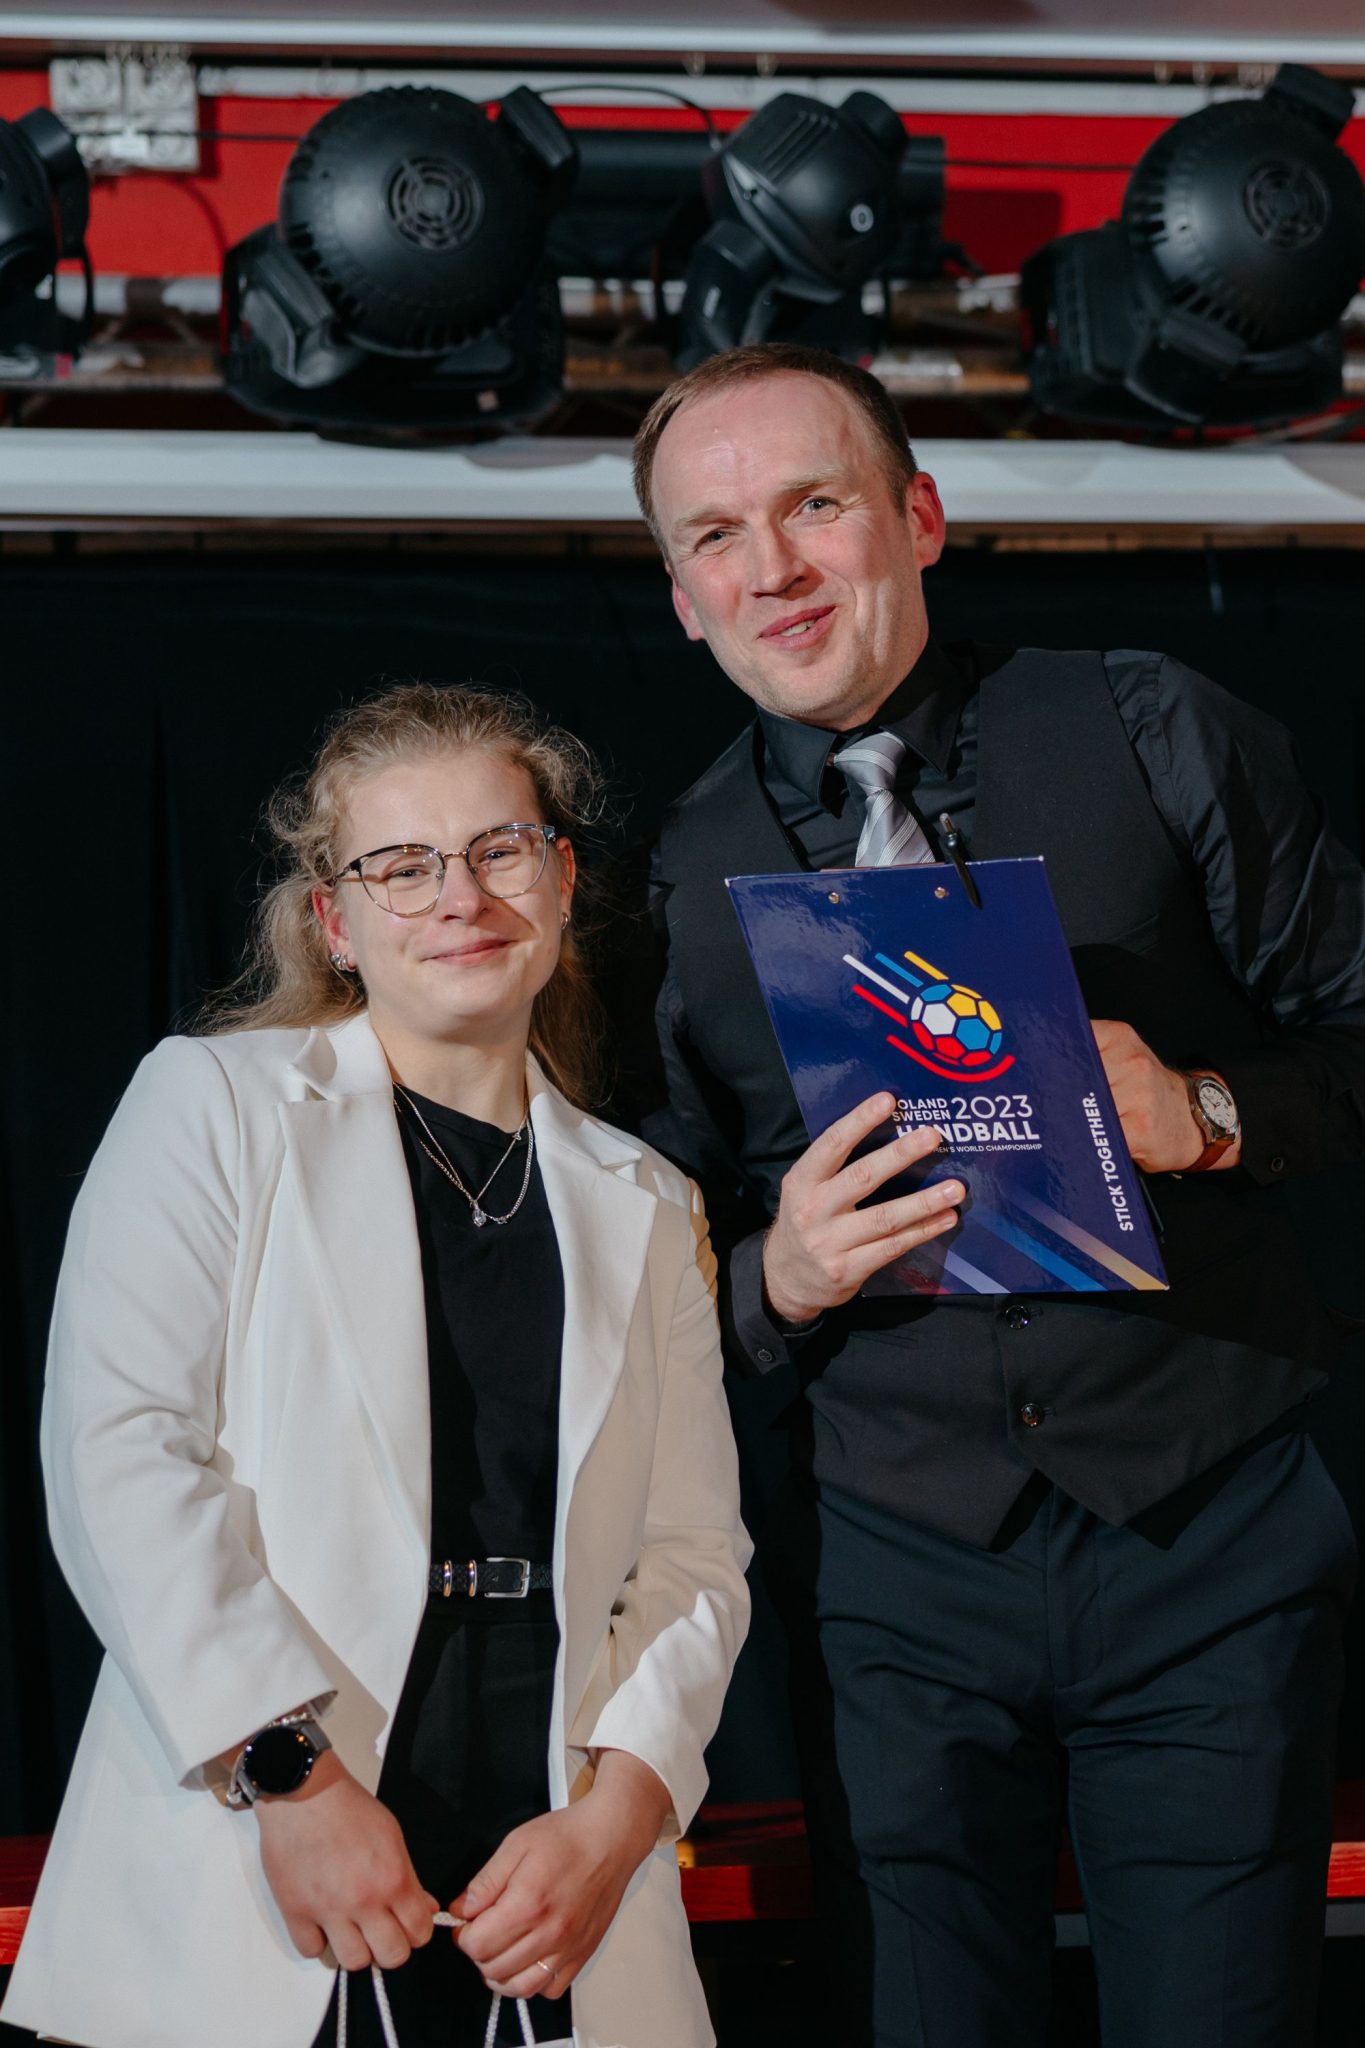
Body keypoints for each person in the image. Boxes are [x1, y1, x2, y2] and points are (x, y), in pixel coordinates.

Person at [632, 341, 1365, 2047]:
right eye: (716, 535)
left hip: (1207, 1539)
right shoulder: (663, 875)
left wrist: (1204, 1113)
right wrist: (772, 1276)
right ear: (679, 597)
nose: (773, 567)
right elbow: (635, 1269)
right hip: (887, 1582)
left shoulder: (1150, 723)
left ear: (919, 517)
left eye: (814, 505)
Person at [3, 682, 750, 2048]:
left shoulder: (647, 1199)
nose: (460, 897)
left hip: (558, 1868)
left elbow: (694, 1556)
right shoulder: (212, 1106)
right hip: (273, 1819)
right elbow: (119, 1456)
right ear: (336, 922)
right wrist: (287, 1775)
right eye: (402, 867)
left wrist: (622, 1814)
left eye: (499, 849)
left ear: (561, 879)